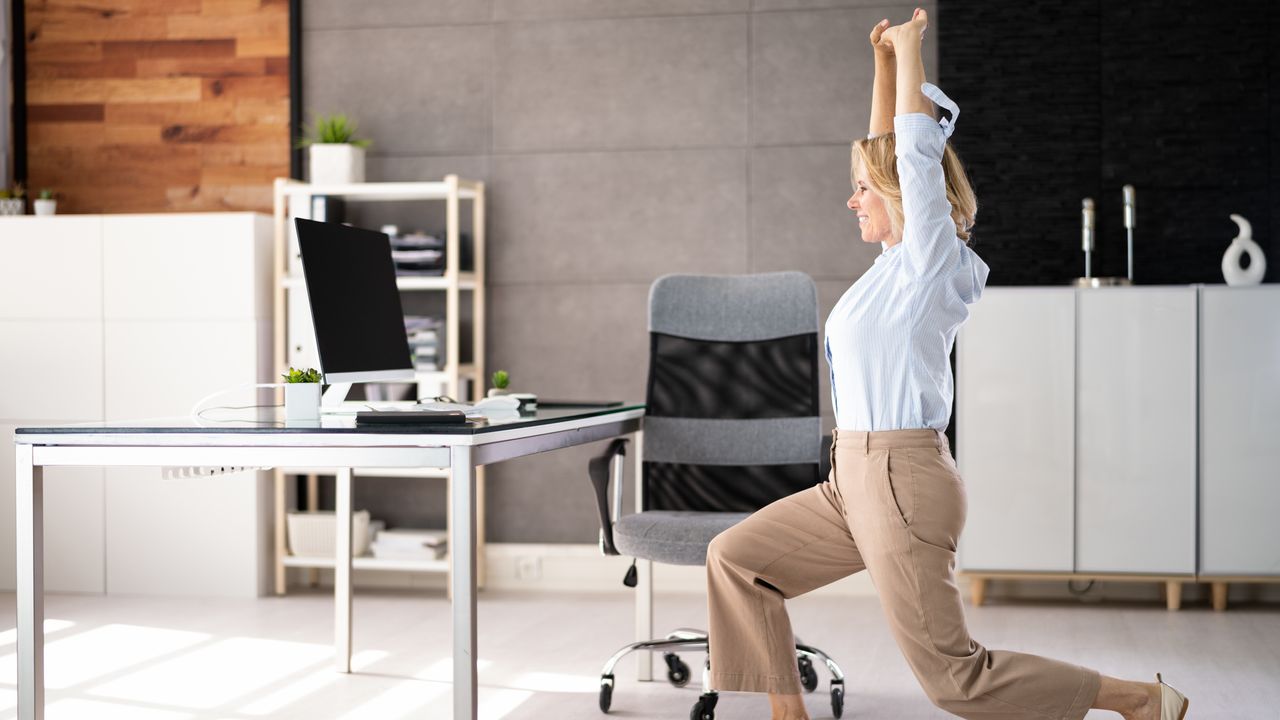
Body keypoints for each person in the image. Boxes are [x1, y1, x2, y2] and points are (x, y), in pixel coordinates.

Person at [703, 9, 1189, 720]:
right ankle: (788, 714)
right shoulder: (893, 266)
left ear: (902, 199)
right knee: (737, 560)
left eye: (863, 191)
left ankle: (1139, 700)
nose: (851, 198)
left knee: (954, 680)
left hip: (902, 482)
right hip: (851, 480)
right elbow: (884, 156)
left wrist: (911, 53)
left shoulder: (931, 265)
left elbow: (912, 158)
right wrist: (881, 68)